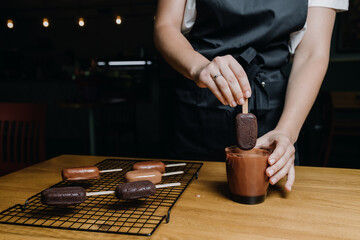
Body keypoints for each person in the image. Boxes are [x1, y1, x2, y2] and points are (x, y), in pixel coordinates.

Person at [154, 0, 348, 192]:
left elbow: (312, 53)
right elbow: (165, 25)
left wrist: (287, 131)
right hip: (197, 110)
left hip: (275, 116)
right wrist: (199, 67)